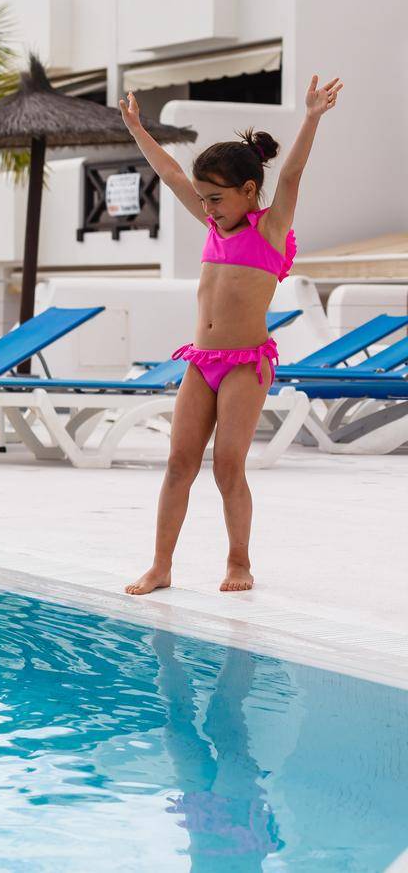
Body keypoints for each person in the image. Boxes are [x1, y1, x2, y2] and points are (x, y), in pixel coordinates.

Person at [120, 75, 342, 595]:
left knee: (227, 466)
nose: (207, 208)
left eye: (216, 199)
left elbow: (288, 178)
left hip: (245, 364)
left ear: (247, 192)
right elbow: (171, 173)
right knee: (178, 463)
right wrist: (137, 130)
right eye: (203, 200)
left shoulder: (268, 230)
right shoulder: (215, 226)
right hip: (201, 360)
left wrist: (310, 119)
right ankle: (161, 565)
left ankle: (239, 561)